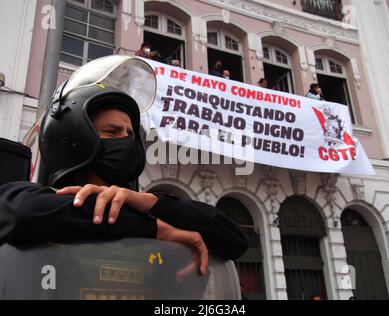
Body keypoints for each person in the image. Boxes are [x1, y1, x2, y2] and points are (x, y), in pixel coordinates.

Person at [0, 80, 248, 275]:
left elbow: (233, 239)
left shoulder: (142, 207)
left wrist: (147, 202)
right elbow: (24, 211)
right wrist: (159, 230)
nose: (126, 141)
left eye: (130, 134)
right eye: (112, 131)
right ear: (73, 138)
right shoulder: (29, 198)